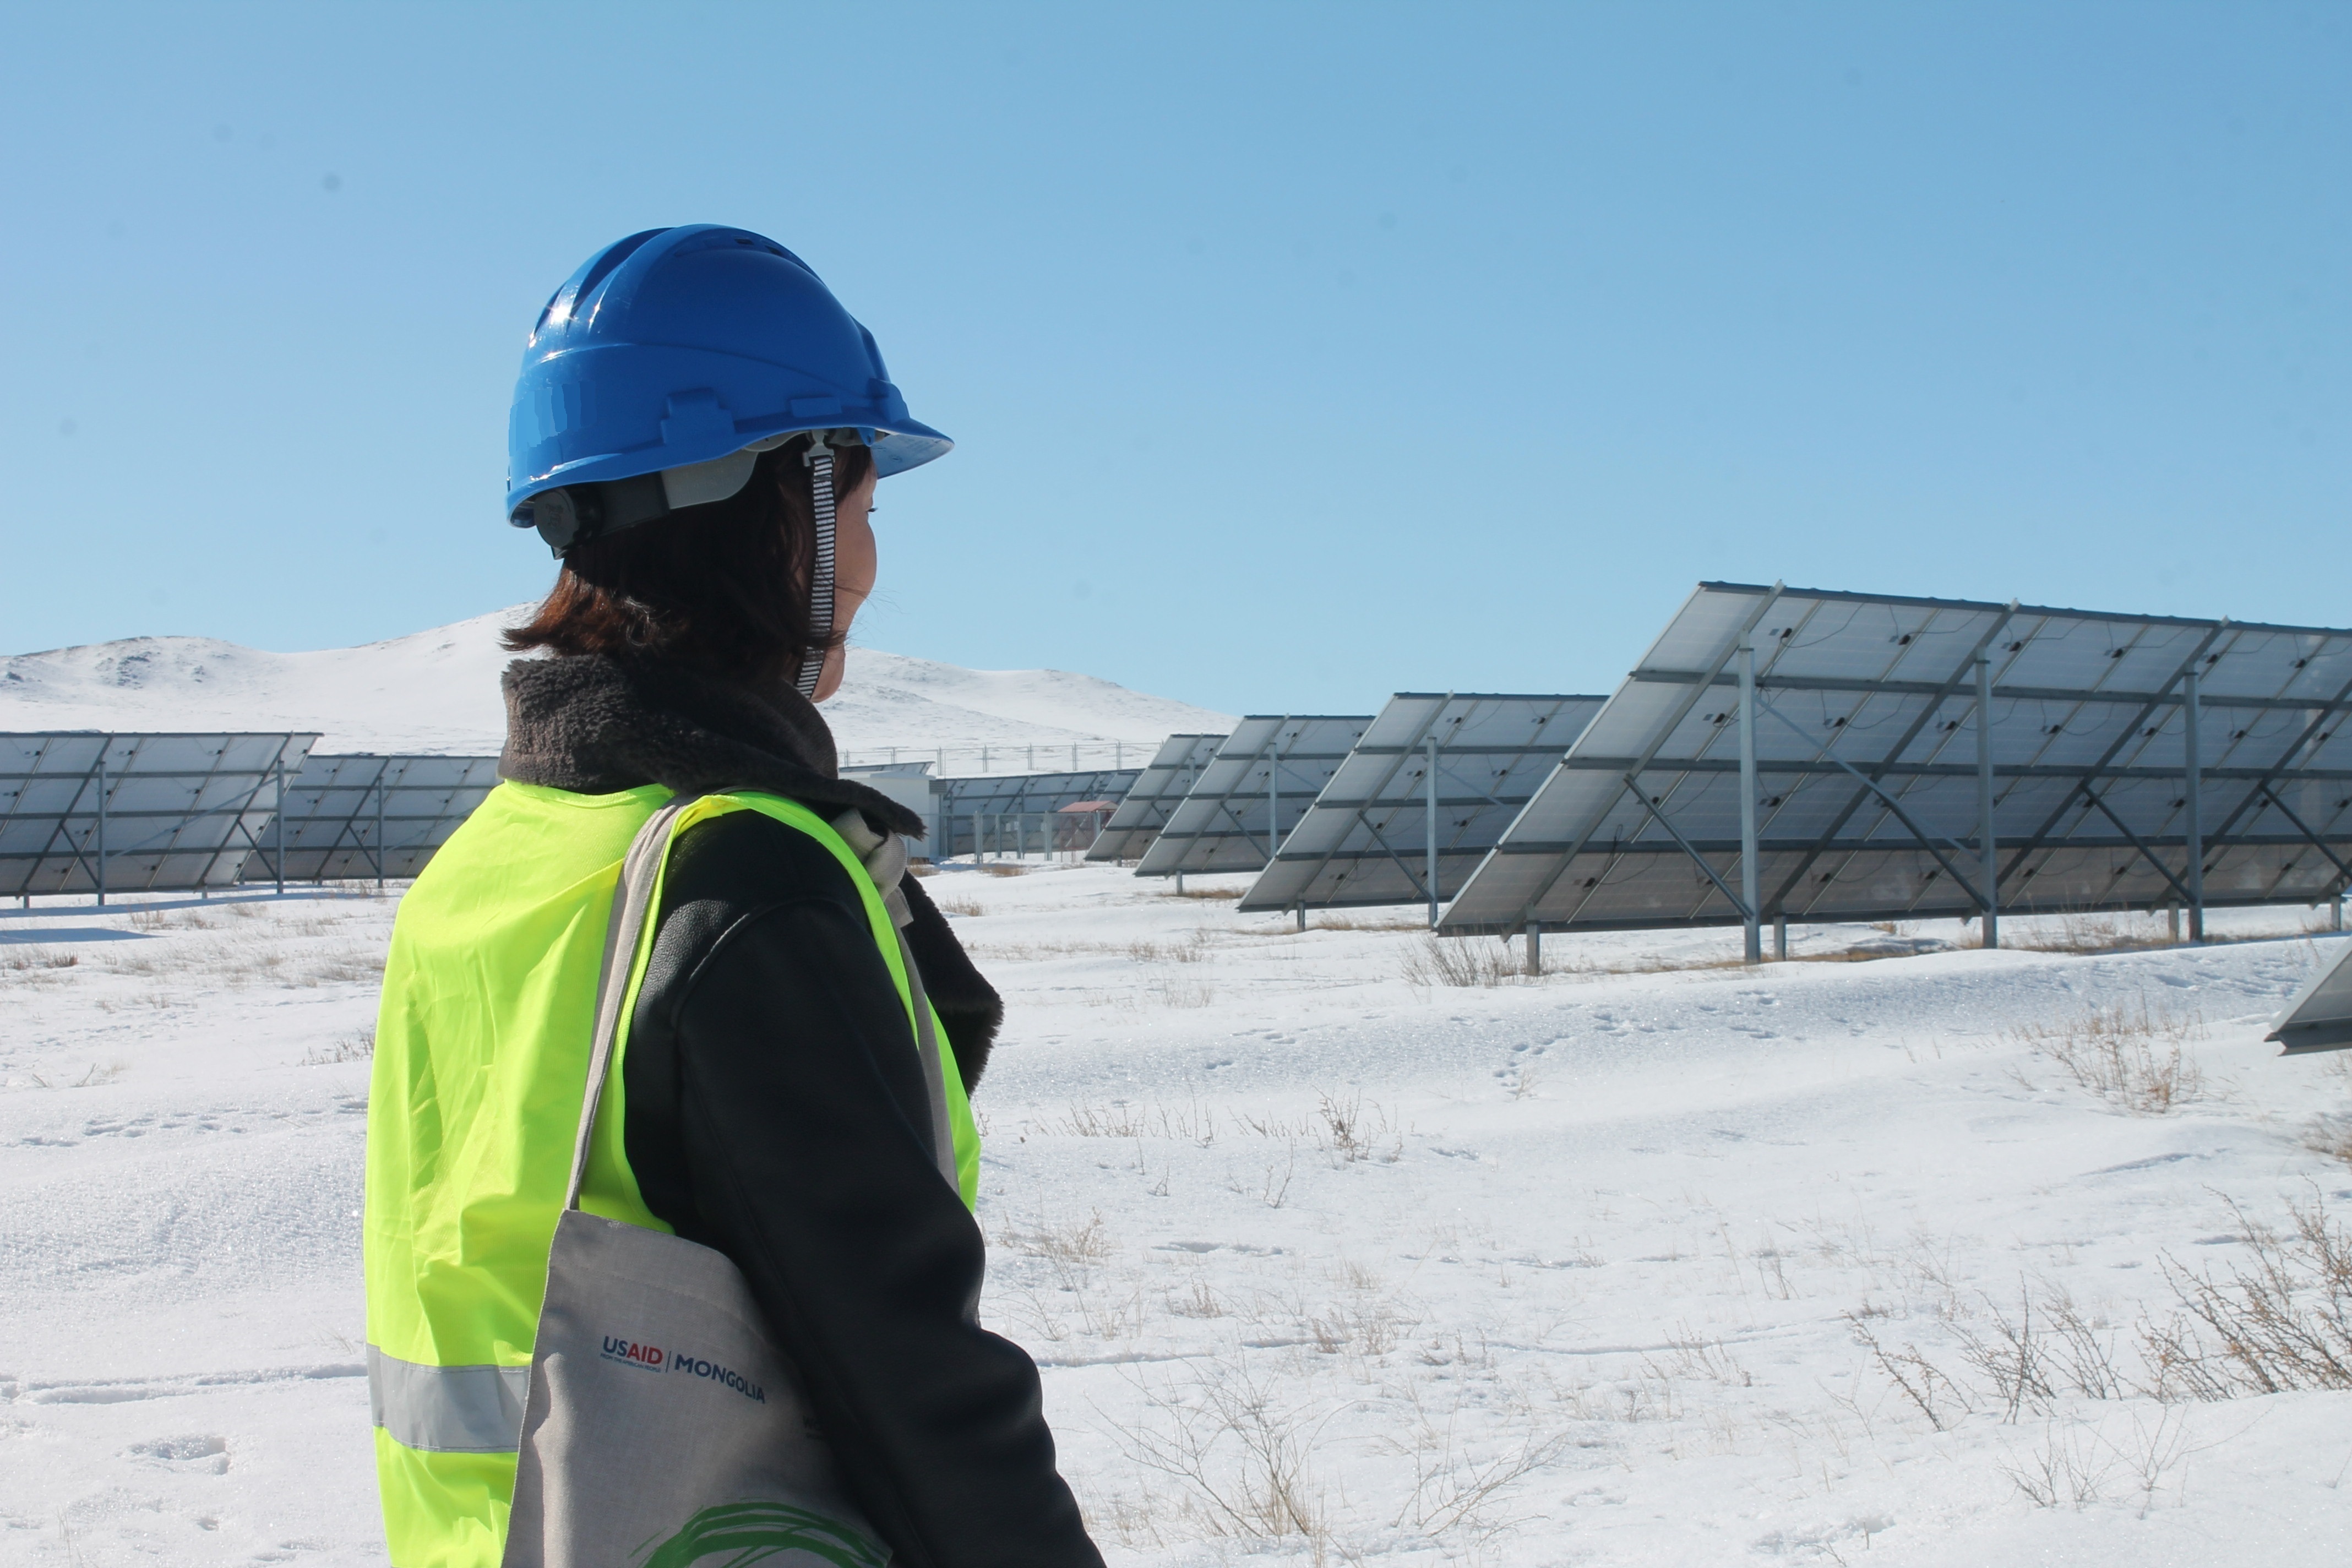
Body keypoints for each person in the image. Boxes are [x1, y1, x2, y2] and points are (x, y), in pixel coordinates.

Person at [363, 225, 1103, 1568]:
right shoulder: (741, 876)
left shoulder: (490, 857)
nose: (871, 564)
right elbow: (908, 1374)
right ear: (792, 501)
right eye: (866, 506)